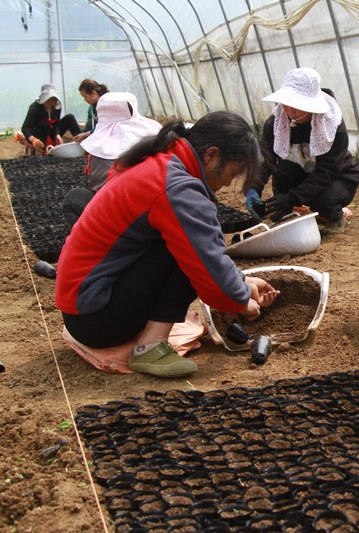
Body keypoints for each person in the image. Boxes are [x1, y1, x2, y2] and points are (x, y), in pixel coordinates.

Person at [55, 111, 279, 378]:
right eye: (232, 172)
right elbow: (208, 267)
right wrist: (240, 299)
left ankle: (147, 336)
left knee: (186, 243)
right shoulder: (176, 187)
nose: (228, 182)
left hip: (82, 306)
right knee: (186, 250)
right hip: (97, 319)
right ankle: (150, 348)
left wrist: (243, 281)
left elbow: (209, 253)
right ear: (211, 155)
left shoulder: (159, 161)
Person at [247, 67, 359, 235]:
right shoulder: (276, 123)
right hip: (301, 171)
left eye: (296, 105)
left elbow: (327, 171)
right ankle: (286, 214)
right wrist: (253, 189)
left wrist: (292, 198)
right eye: (286, 103)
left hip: (337, 176)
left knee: (323, 202)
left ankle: (335, 215)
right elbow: (266, 160)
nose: (289, 110)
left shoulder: (331, 124)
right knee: (282, 171)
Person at [61, 91, 163, 227]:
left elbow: (99, 189)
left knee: (72, 200)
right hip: (156, 213)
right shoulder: (155, 141)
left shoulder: (99, 151)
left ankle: (93, 237)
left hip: (119, 220)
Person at [20, 84, 81, 156]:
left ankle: (82, 143)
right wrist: (34, 140)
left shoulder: (56, 107)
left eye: (53, 100)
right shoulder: (35, 108)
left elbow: (56, 125)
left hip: (50, 132)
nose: (51, 102)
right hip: (38, 135)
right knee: (44, 123)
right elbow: (24, 128)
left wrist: (57, 135)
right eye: (49, 99)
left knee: (70, 118)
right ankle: (42, 150)